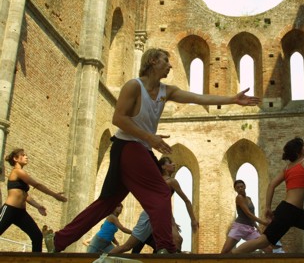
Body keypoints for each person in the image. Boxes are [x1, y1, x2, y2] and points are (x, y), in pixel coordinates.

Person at [44, 48, 260, 254]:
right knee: (161, 192)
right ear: (152, 61)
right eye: (165, 60)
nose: (170, 65)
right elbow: (118, 118)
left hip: (139, 147)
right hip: (127, 146)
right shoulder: (133, 86)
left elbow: (198, 98)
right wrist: (149, 137)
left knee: (107, 203)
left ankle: (58, 240)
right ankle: (166, 247)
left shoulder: (167, 91)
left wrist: (232, 99)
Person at [109, 156, 199, 254]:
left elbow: (185, 201)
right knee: (127, 246)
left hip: (163, 215)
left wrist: (192, 220)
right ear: (163, 167)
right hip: (149, 215)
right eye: (170, 162)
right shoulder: (154, 181)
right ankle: (102, 260)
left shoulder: (172, 181)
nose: (174, 164)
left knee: (177, 240)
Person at [0, 148, 67, 252]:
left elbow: (25, 195)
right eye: (23, 155)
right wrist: (54, 195)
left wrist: (38, 206)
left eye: (26, 155)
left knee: (37, 236)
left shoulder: (21, 174)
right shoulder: (17, 172)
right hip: (9, 210)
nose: (26, 157)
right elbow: (37, 185)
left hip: (20, 213)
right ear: (16, 159)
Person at [220, 179, 269, 254]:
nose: (240, 189)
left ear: (245, 186)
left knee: (268, 249)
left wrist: (257, 227)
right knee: (224, 252)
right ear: (235, 190)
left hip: (250, 229)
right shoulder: (239, 198)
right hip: (239, 227)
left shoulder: (249, 199)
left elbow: (252, 215)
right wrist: (263, 222)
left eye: (241, 186)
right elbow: (248, 213)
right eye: (237, 188)